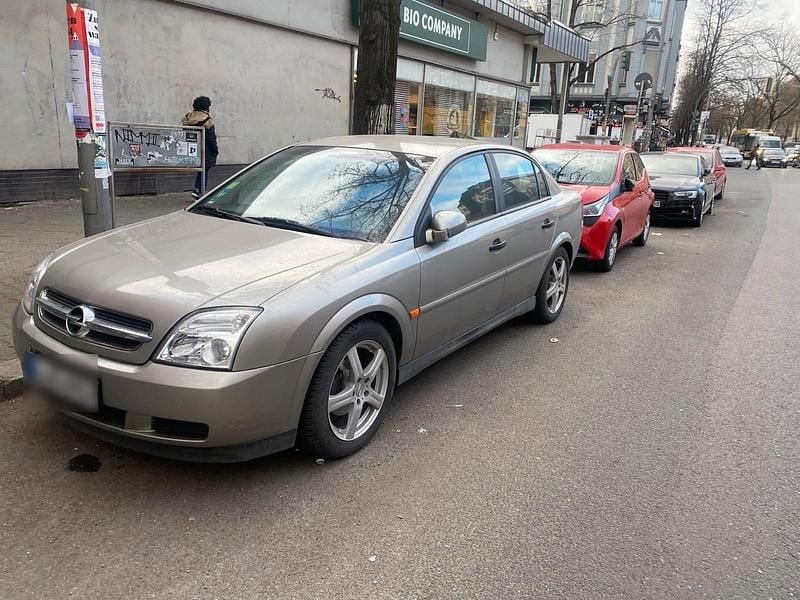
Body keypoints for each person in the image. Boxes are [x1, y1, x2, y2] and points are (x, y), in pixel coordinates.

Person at [182, 96, 219, 198]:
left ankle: (197, 190)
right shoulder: (207, 120)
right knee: (205, 169)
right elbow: (211, 138)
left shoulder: (187, 117)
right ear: (207, 107)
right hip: (205, 150)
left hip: (189, 148)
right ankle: (199, 191)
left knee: (201, 170)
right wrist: (215, 150)